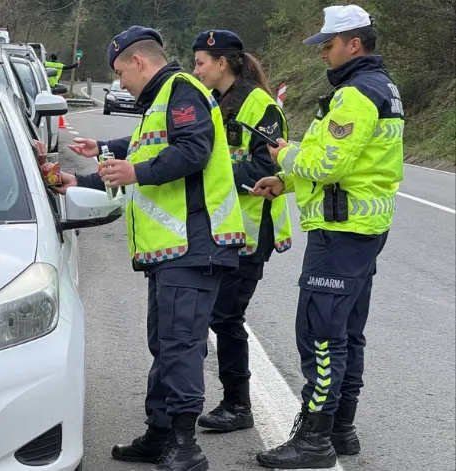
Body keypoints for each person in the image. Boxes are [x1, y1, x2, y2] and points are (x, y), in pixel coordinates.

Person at [54, 25, 247, 471]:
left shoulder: (181, 91)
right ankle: (160, 434)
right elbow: (141, 156)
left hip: (196, 244)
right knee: (165, 344)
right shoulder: (161, 101)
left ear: (139, 62)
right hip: (172, 250)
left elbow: (192, 152)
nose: (120, 83)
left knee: (180, 346)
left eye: (121, 72)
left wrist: (136, 174)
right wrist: (79, 179)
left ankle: (185, 446)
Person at [250, 5, 403, 468]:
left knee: (320, 334)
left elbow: (325, 163)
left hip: (340, 232)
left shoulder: (356, 95)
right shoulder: (383, 89)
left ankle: (315, 441)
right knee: (346, 332)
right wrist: (288, 182)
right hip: (361, 229)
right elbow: (343, 162)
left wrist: (283, 155)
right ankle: (341, 428)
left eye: (328, 45)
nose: (323, 55)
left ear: (353, 43)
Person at [189, 30, 294, 432]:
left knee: (226, 316)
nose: (196, 70)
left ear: (222, 63)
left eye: (201, 62)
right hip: (223, 227)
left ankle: (238, 405)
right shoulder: (213, 102)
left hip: (253, 229)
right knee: (215, 315)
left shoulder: (260, 106)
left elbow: (266, 167)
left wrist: (211, 176)